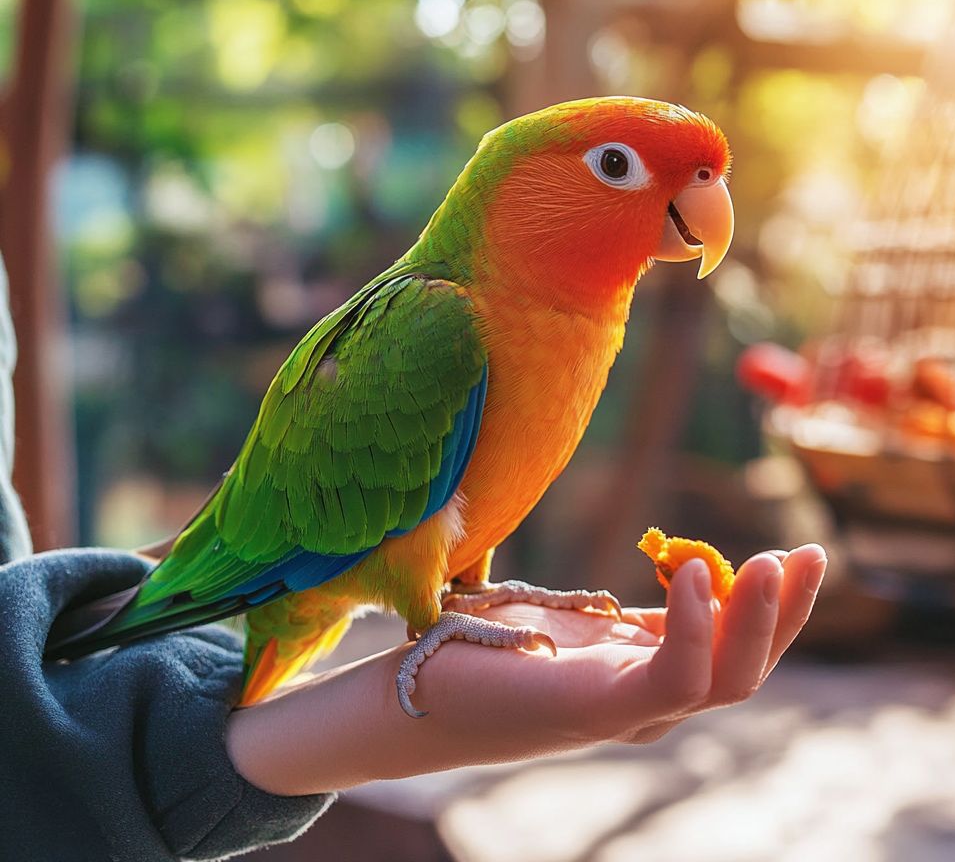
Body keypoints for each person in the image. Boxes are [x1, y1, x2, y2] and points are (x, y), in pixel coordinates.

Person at [0, 254, 826, 859]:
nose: (696, 199)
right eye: (617, 167)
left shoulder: (584, 324)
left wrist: (465, 606)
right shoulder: (440, 321)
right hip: (291, 572)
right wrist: (423, 661)